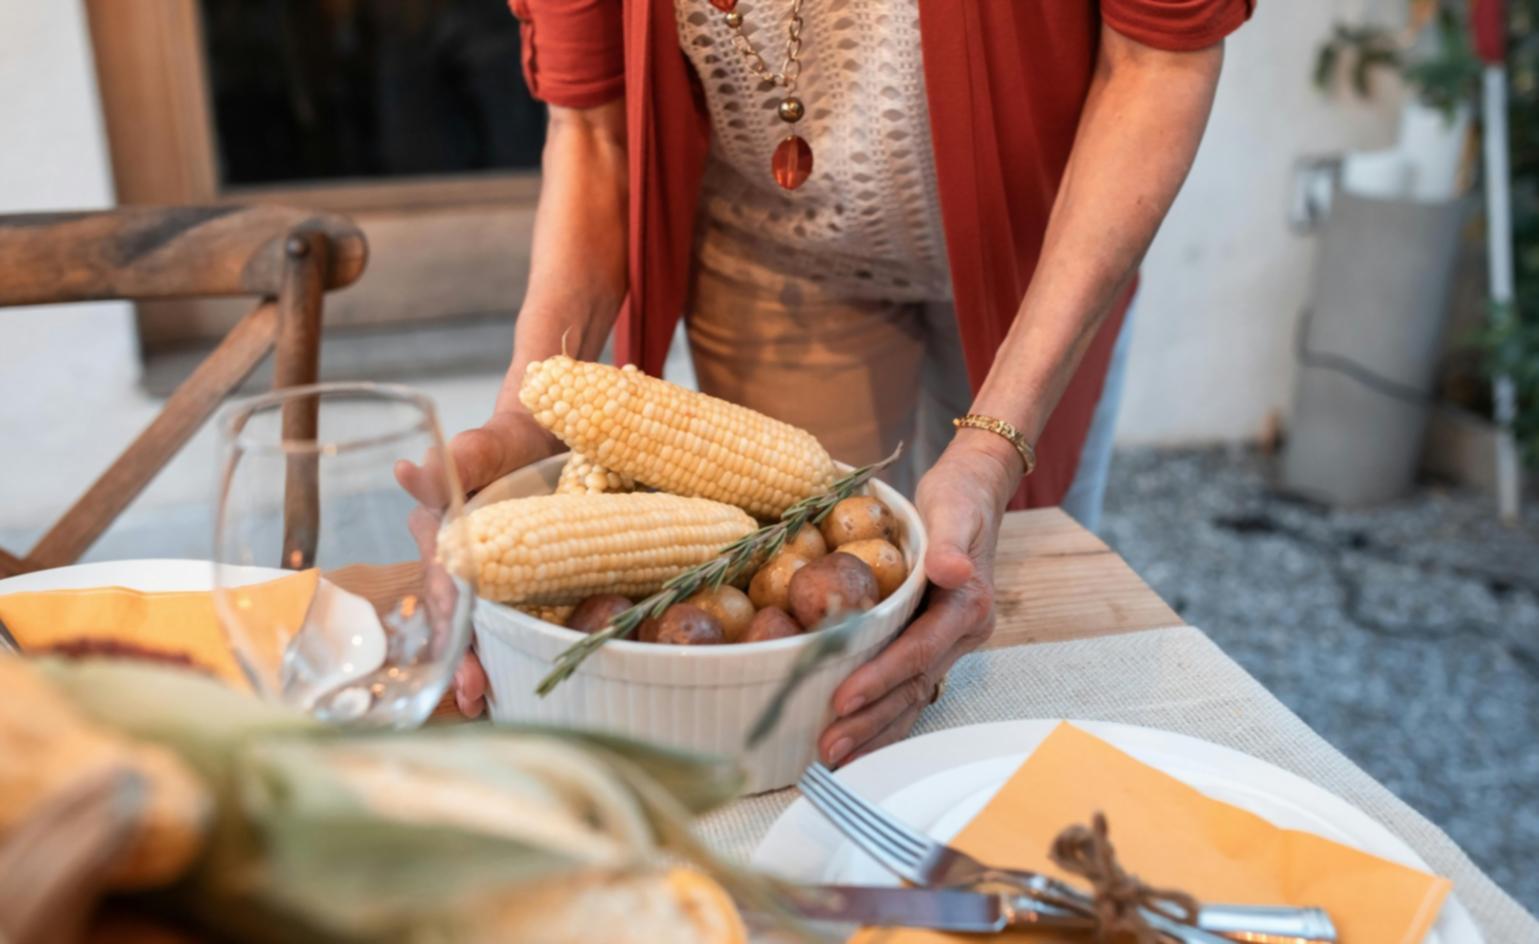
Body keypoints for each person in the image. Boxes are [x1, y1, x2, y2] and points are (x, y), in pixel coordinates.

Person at [400, 0, 1253, 766]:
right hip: (776, 253)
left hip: (1043, 238)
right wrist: (527, 418)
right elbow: (595, 131)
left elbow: (1155, 63)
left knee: (1008, 610)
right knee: (811, 680)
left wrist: (992, 454)